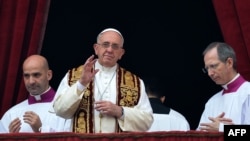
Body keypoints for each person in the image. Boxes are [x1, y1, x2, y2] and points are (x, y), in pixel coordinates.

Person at [53, 28, 154, 133]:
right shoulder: (74, 75)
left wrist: (121, 111)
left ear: (121, 53)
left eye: (115, 46)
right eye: (105, 44)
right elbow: (60, 111)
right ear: (96, 48)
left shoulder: (135, 82)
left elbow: (147, 121)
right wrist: (81, 84)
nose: (109, 50)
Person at [1, 54, 71, 133]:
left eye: (36, 75)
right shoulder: (12, 114)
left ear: (49, 75)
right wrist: (10, 138)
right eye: (27, 76)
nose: (31, 81)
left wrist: (41, 130)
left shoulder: (67, 109)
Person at [198, 42, 250, 132]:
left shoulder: (247, 92)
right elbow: (199, 135)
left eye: (213, 66)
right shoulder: (212, 102)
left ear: (229, 63)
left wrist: (223, 129)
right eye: (207, 69)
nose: (210, 73)